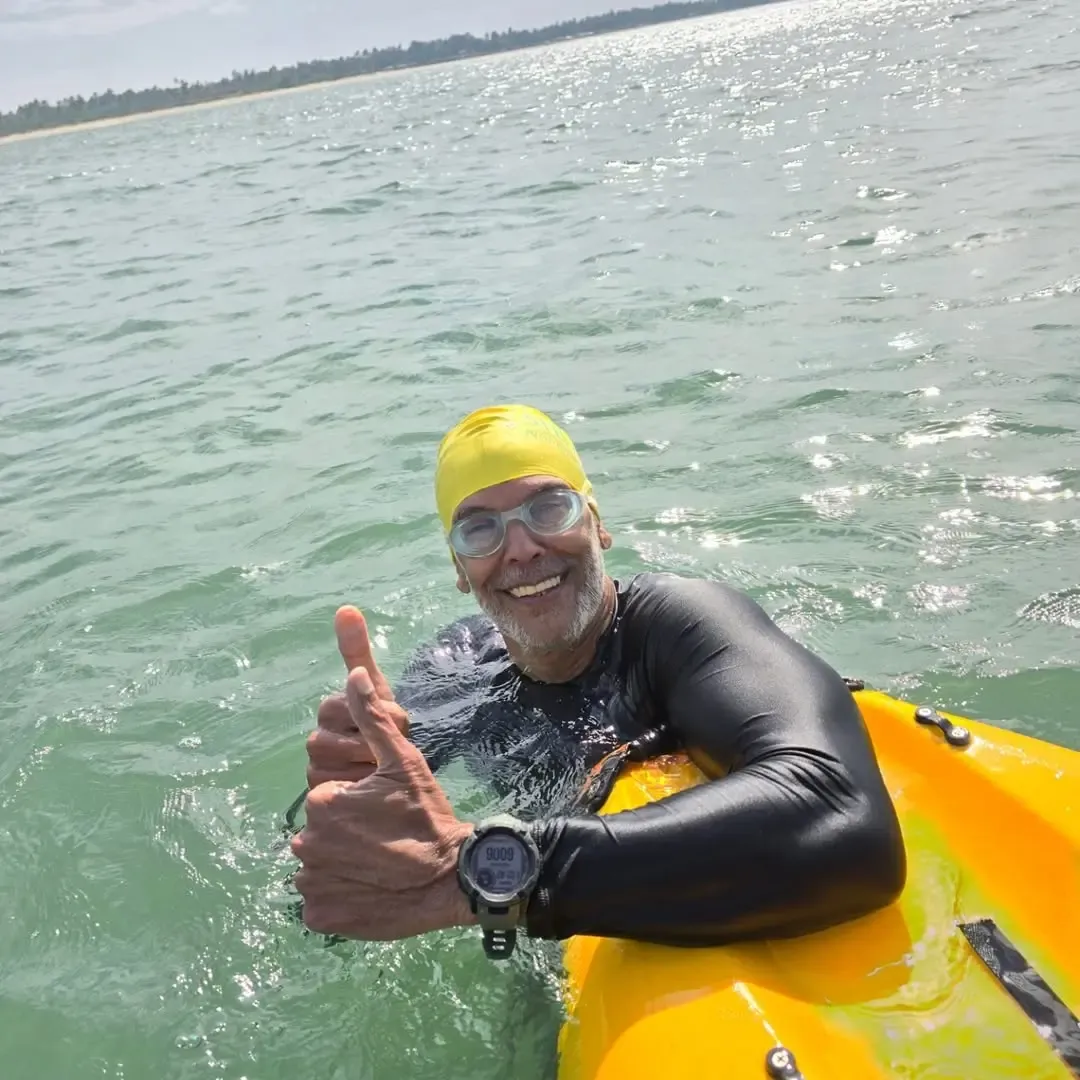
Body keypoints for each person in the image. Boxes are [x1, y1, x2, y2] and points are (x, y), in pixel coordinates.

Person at [290, 404, 906, 952]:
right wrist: (342, 800)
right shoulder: (457, 668)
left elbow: (845, 817)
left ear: (596, 522)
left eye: (548, 508)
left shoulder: (680, 626)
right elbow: (331, 885)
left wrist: (482, 873)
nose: (521, 548)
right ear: (459, 567)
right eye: (479, 530)